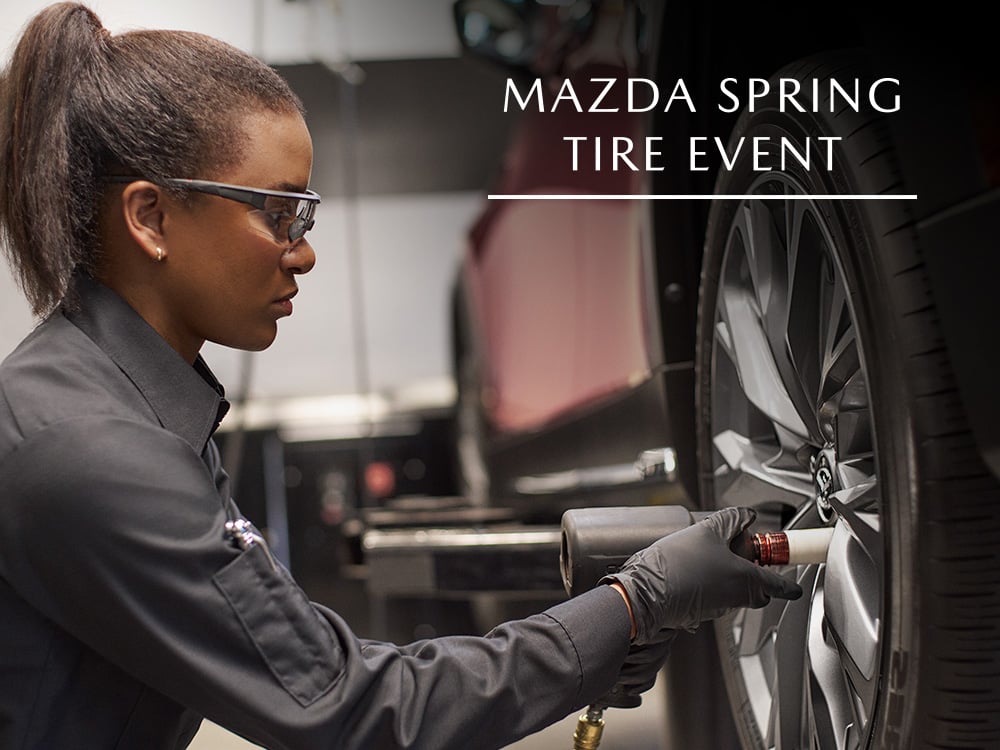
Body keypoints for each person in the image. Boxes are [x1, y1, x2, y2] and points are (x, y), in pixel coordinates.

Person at [0, 4, 802, 749]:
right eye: (278, 213)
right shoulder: (90, 449)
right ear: (150, 217)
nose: (304, 252)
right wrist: (634, 605)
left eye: (305, 216)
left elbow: (319, 669)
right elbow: (350, 707)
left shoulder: (119, 405)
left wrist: (602, 632)